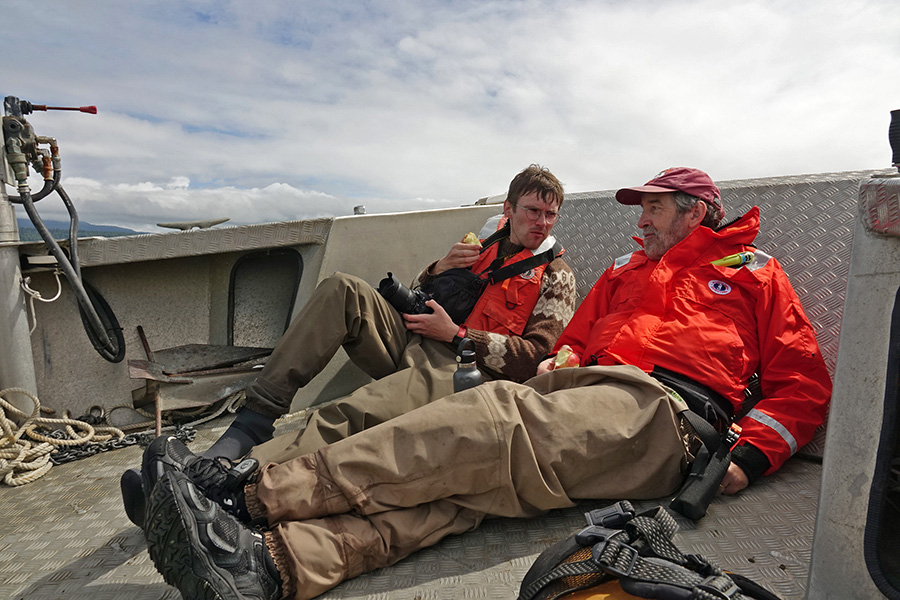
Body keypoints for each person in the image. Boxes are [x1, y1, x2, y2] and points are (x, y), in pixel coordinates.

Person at [140, 167, 832, 600]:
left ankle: (246, 493)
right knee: (469, 493)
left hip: (667, 411)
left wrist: (748, 457)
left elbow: (803, 381)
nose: (639, 221)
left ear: (695, 210)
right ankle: (271, 566)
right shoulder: (622, 274)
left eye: (652, 208)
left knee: (497, 421)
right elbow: (566, 349)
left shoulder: (751, 271)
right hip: (584, 394)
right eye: (639, 210)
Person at [121, 164, 578, 526]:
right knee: (343, 290)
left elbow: (534, 355)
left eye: (550, 214)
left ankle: (218, 482)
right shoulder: (484, 243)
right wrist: (437, 269)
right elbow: (428, 293)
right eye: (532, 210)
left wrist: (457, 336)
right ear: (510, 207)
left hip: (461, 373)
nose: (541, 222)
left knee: (350, 411)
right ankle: (252, 424)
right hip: (418, 338)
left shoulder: (557, 276)